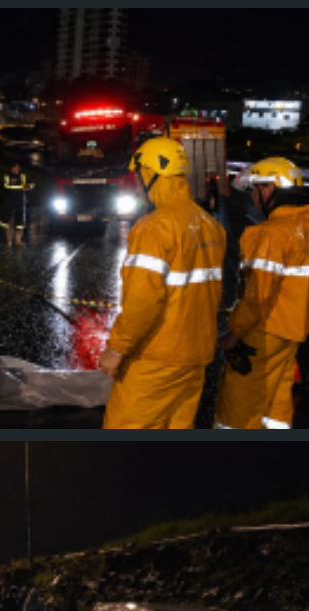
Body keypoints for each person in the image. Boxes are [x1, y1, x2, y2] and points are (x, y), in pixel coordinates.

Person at [99, 137, 226, 429]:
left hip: (156, 358)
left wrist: (116, 349)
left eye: (139, 175)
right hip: (196, 357)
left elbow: (143, 301)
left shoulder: (154, 228)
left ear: (150, 174)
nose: (136, 183)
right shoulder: (211, 225)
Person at [214, 157, 309, 429]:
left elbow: (257, 294)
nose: (253, 196)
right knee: (276, 403)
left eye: (256, 188)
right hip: (290, 333)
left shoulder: (268, 235)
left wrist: (234, 333)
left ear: (269, 189)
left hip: (260, 336)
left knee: (237, 406)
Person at [0, 162, 33, 247]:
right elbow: (1, 186)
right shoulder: (6, 176)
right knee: (7, 220)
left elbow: (32, 183)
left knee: (19, 221)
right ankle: (8, 241)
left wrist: (28, 187)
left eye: (16, 168)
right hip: (9, 200)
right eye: (12, 168)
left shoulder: (23, 176)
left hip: (20, 200)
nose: (14, 169)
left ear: (19, 168)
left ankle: (17, 241)